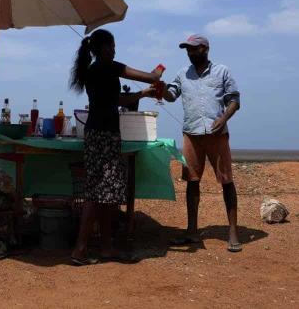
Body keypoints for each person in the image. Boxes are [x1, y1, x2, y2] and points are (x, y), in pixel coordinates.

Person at [70, 29, 162, 265]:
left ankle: (106, 247)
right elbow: (151, 76)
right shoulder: (110, 67)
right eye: (111, 46)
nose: (114, 50)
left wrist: (143, 94)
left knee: (103, 194)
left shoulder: (91, 71)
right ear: (102, 49)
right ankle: (80, 249)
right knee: (96, 193)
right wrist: (159, 71)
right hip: (106, 135)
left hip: (95, 133)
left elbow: (116, 101)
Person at [163, 34, 241, 252]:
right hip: (191, 133)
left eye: (194, 49)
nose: (190, 53)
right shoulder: (182, 74)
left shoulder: (222, 71)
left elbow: (234, 100)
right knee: (192, 181)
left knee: (226, 181)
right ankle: (191, 231)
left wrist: (223, 118)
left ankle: (233, 231)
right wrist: (159, 88)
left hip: (217, 134)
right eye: (187, 49)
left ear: (205, 49)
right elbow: (171, 95)